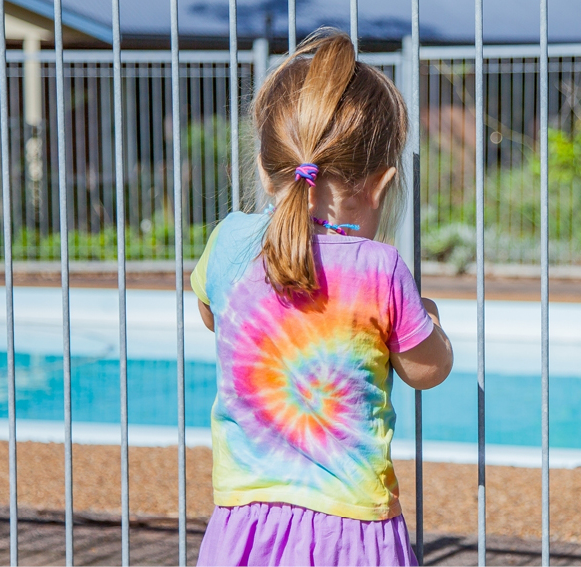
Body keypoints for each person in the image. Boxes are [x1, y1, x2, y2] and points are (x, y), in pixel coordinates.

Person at [189, 28, 454, 566]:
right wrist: (430, 320)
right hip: (351, 532)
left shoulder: (228, 242)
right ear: (381, 184)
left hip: (244, 527)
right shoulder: (380, 269)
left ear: (266, 170)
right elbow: (428, 370)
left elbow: (212, 314)